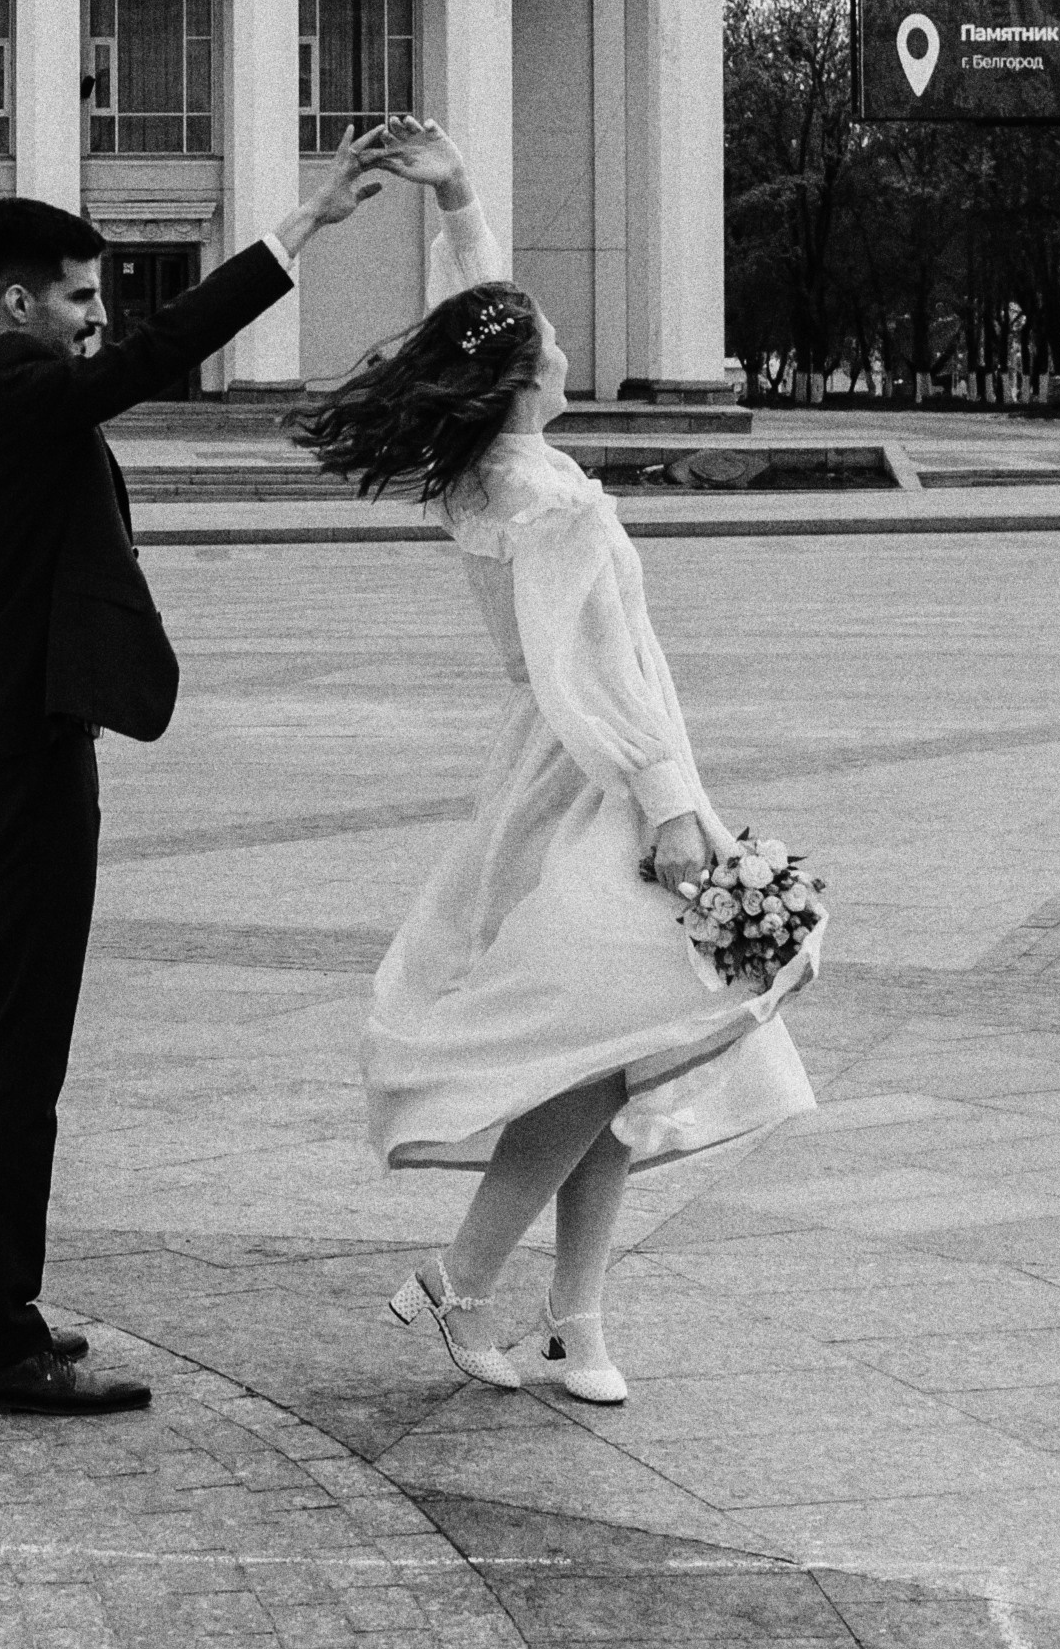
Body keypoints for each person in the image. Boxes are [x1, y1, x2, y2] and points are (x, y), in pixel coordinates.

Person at [296, 118, 818, 1405]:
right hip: (600, 782)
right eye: (545, 331)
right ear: (530, 367)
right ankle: (464, 1280)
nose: (563, 336)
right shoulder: (553, 496)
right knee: (606, 1045)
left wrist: (462, 202)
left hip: (550, 774)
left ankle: (576, 1319)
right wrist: (669, 807)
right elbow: (597, 672)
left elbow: (471, 321)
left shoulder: (489, 472)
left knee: (619, 1052)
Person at [0, 141, 384, 1416]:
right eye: (79, 295)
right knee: (21, 1052)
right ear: (19, 305)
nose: (98, 319)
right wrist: (299, 230)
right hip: (21, 754)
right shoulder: (14, 381)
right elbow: (149, 358)